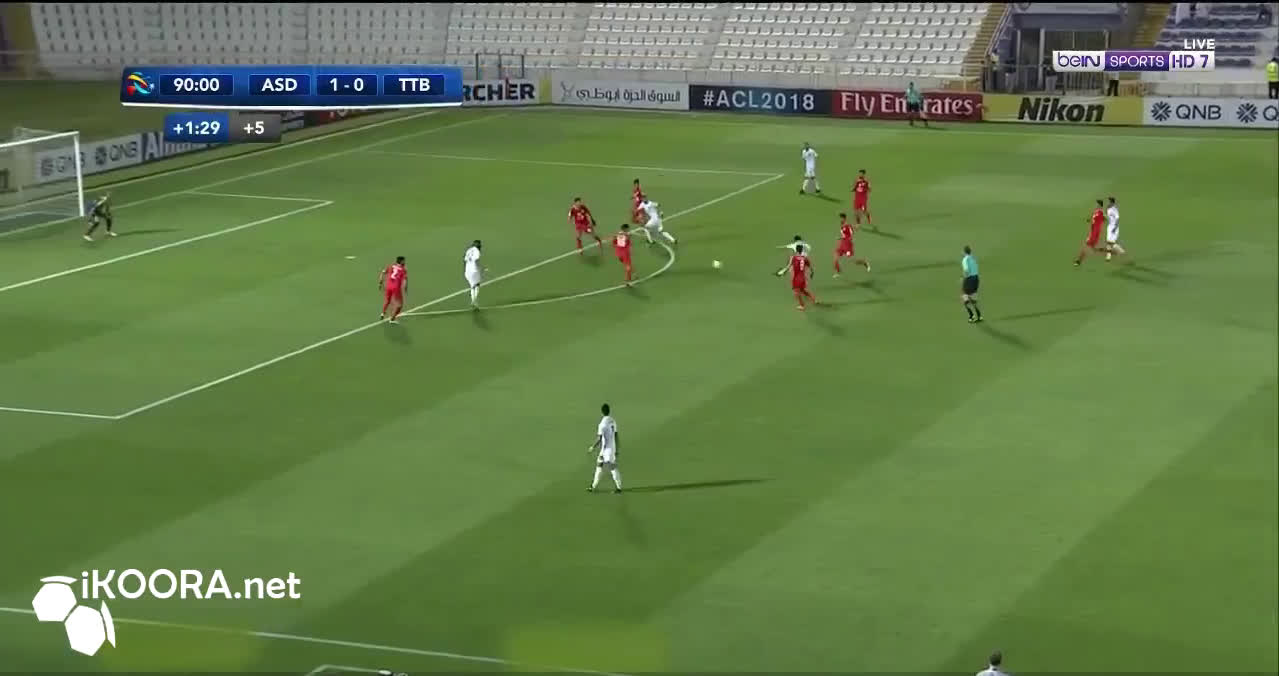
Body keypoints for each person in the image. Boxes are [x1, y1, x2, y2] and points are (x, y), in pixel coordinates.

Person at [587, 403, 622, 493]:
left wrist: (592, 447)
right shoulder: (613, 421)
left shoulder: (602, 424)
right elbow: (616, 435)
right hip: (610, 448)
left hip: (606, 450)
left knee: (612, 467)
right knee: (599, 465)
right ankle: (593, 486)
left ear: (602, 412)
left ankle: (619, 488)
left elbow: (599, 439)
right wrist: (617, 448)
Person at [780, 243, 818, 310]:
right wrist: (812, 273)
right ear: (801, 250)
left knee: (797, 291)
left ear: (796, 250)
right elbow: (811, 268)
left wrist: (783, 272)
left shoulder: (793, 258)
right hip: (803, 277)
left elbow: (788, 266)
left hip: (796, 278)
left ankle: (802, 305)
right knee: (803, 290)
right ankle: (814, 299)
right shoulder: (805, 258)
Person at [833, 212, 870, 277]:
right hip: (842, 244)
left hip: (847, 245)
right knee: (835, 257)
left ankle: (865, 263)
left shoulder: (847, 225)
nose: (840, 219)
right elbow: (844, 234)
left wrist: (846, 238)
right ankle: (838, 271)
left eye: (841, 218)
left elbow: (851, 234)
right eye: (840, 218)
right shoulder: (842, 225)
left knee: (854, 261)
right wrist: (841, 238)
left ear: (844, 218)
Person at [1074, 199, 1105, 266]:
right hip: (1094, 232)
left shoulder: (1100, 212)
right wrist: (1090, 219)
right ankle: (1106, 251)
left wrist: (1094, 221)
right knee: (1092, 247)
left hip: (1094, 233)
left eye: (1097, 204)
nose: (1095, 205)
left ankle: (1078, 261)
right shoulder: (1096, 212)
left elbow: (1100, 220)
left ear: (1099, 205)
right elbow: (1096, 219)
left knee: (1086, 246)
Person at [378, 256, 407, 323]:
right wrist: (405, 288)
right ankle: (392, 319)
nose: (404, 262)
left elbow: (382, 273)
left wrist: (380, 283)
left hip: (388, 286)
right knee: (400, 304)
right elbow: (405, 280)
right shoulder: (403, 269)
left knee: (387, 300)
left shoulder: (390, 266)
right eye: (404, 261)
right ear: (401, 261)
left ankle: (382, 313)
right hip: (396, 287)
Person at [961, 245, 983, 323]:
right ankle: (979, 316)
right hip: (976, 279)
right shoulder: (973, 258)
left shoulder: (965, 259)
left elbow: (966, 270)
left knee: (965, 297)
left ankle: (971, 316)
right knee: (973, 297)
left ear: (964, 252)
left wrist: (964, 278)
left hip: (969, 279)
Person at [1104, 196, 1126, 261]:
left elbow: (1117, 219)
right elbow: (1108, 217)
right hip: (1109, 226)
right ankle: (1108, 256)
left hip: (1114, 227)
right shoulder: (1108, 208)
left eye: (1109, 201)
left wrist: (1115, 227)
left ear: (1112, 202)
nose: (1108, 203)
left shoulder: (1114, 209)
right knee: (1108, 241)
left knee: (1112, 243)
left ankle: (1121, 250)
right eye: (1108, 201)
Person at [463, 240, 483, 309]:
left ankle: (473, 300)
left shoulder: (468, 250)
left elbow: (465, 260)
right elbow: (476, 260)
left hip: (467, 271)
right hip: (474, 271)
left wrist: (465, 270)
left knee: (472, 286)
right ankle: (474, 300)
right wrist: (480, 268)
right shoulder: (477, 251)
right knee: (477, 285)